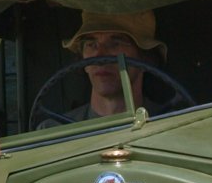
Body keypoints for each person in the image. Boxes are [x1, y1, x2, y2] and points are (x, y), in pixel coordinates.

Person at [38, 9, 173, 126]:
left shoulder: (172, 126)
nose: (100, 57)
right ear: (83, 60)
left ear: (146, 59)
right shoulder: (53, 133)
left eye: (115, 44)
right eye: (91, 44)